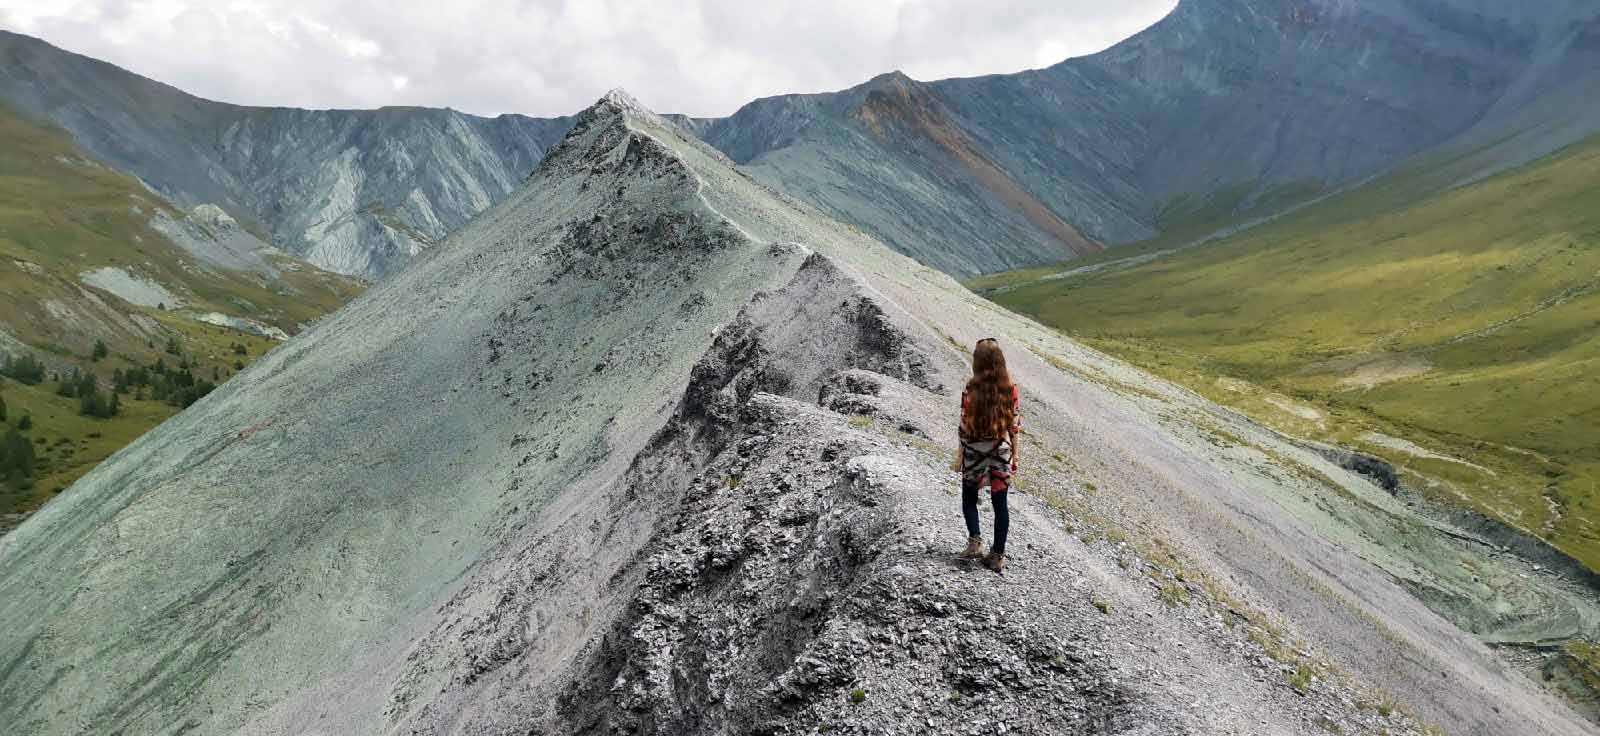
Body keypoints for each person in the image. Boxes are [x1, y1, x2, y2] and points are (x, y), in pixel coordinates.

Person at [952, 338, 1020, 573]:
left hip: (975, 453)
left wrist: (960, 455)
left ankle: (974, 543)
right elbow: (1014, 425)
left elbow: (963, 425)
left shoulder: (971, 389)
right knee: (1000, 505)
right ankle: (997, 556)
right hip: (1001, 453)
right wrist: (1016, 455)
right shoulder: (1010, 388)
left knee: (969, 498)